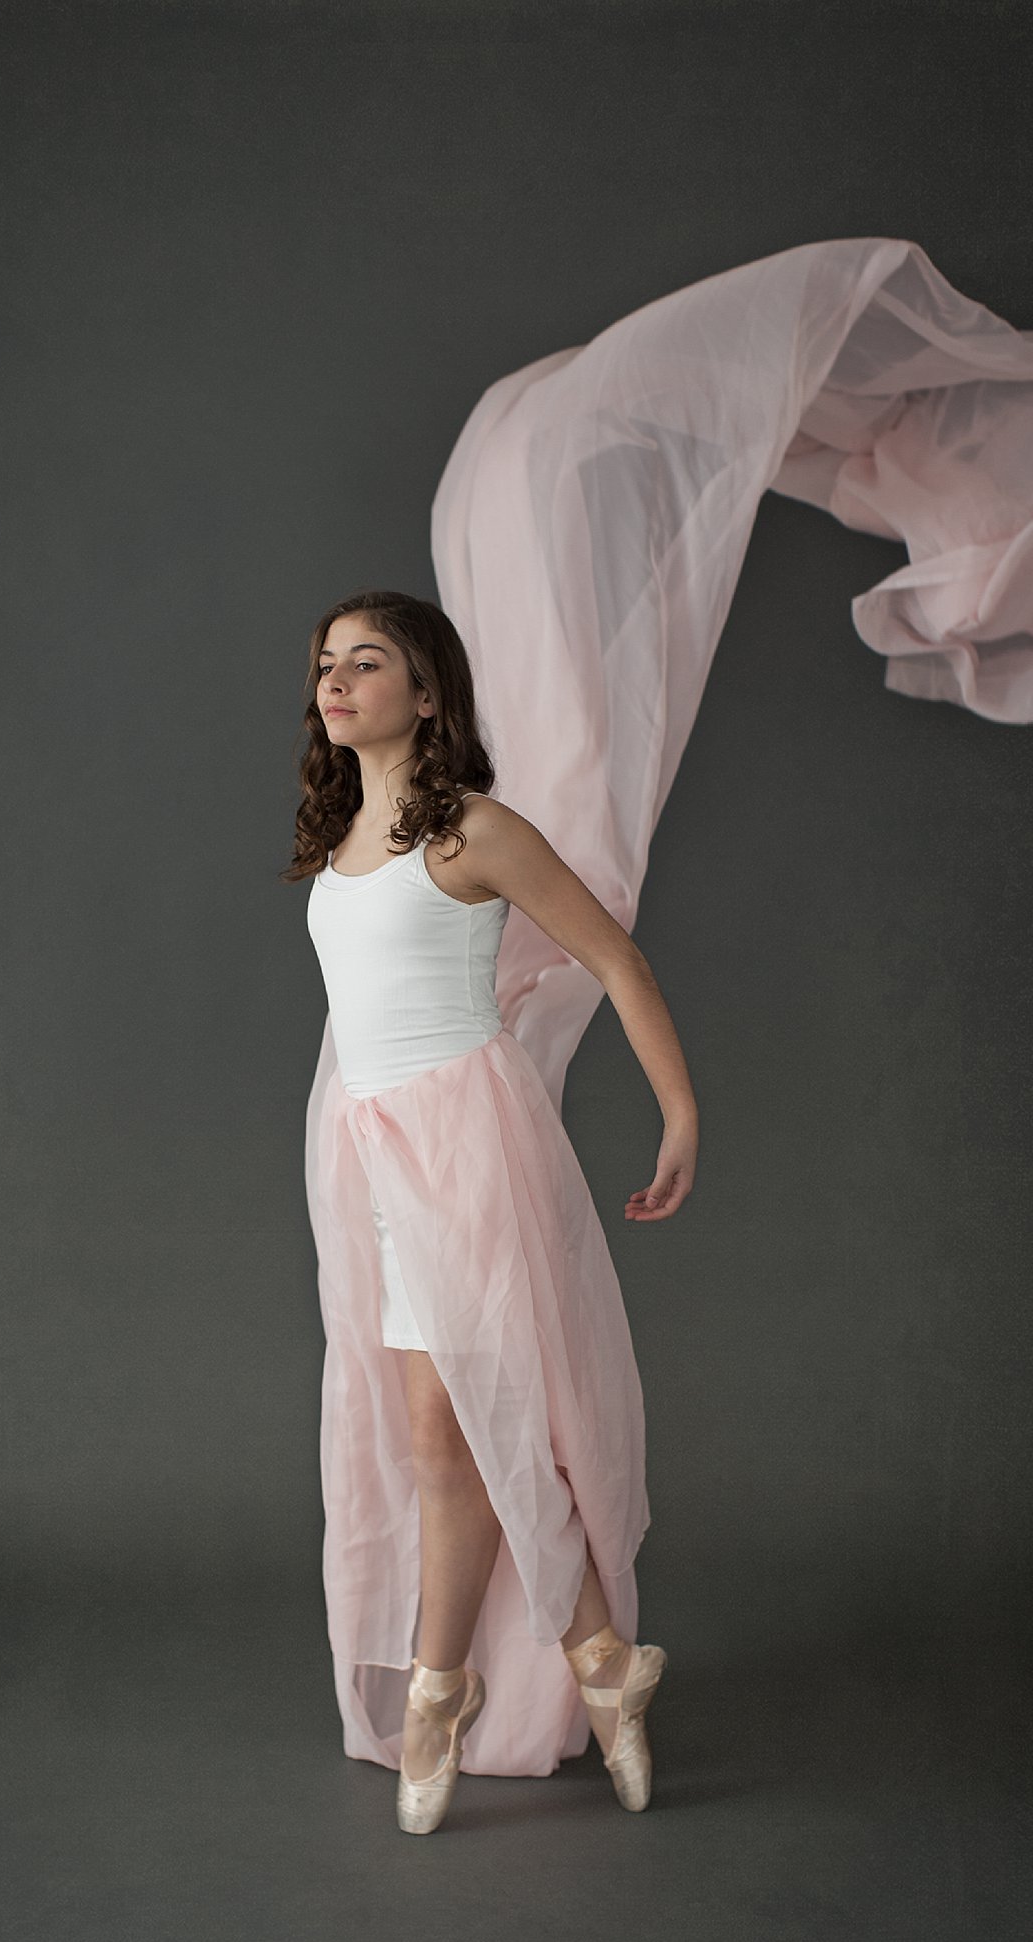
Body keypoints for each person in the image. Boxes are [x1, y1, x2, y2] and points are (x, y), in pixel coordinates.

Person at [285, 588, 699, 1833]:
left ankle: (443, 1692)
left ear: (428, 693)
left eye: (369, 663)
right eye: (325, 665)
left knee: (466, 1429)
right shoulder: (344, 837)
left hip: (461, 1150)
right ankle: (593, 1662)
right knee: (446, 1441)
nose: (338, 681)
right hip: (373, 1161)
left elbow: (615, 957)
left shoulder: (470, 831)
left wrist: (681, 1115)